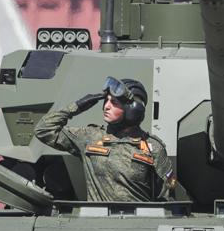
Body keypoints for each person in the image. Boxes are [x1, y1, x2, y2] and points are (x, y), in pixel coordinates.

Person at [35, 76, 175, 202]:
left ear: (132, 109)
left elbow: (167, 198)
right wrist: (77, 106)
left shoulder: (152, 147)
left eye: (114, 102)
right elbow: (43, 129)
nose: (106, 106)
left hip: (136, 225)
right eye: (106, 101)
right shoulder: (89, 137)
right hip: (99, 223)